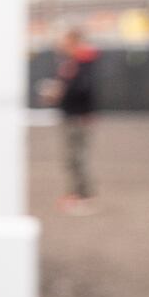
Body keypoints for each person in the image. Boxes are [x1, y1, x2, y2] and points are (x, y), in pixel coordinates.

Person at [45, 23, 100, 211]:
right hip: (72, 115)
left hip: (79, 117)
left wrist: (61, 92)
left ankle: (83, 196)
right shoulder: (71, 62)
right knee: (72, 158)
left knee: (78, 158)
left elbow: (83, 90)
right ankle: (76, 193)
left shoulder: (82, 62)